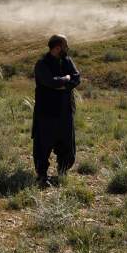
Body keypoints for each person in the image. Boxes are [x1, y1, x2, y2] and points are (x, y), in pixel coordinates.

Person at [33, 34, 82, 188]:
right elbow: (50, 82)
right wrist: (66, 80)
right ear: (58, 47)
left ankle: (62, 171)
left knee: (66, 143)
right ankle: (42, 175)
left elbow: (77, 78)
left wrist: (64, 83)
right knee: (43, 144)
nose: (67, 48)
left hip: (65, 110)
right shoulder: (42, 64)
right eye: (65, 45)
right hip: (46, 111)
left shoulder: (67, 61)